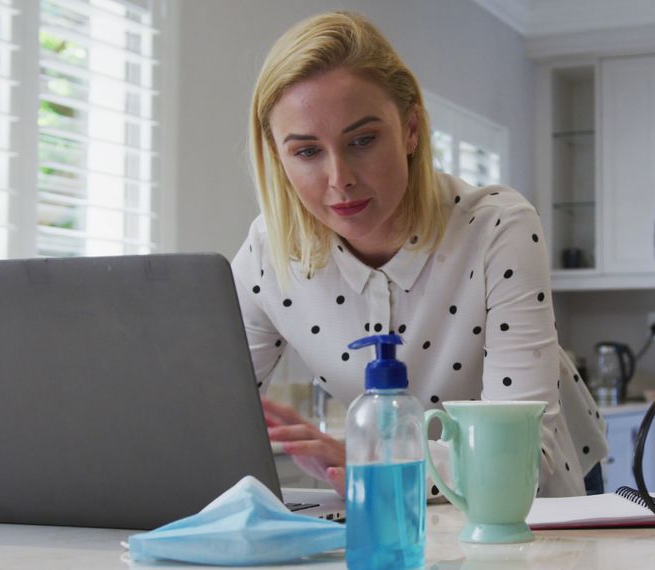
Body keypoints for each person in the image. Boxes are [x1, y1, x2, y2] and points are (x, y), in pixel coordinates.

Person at [231, 11, 607, 498]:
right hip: (397, 494)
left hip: (540, 484)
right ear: (278, 158)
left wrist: (372, 462)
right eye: (306, 152)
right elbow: (208, 417)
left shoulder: (497, 228)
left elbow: (523, 456)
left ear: (410, 129)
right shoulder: (270, 253)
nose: (339, 177)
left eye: (362, 140)